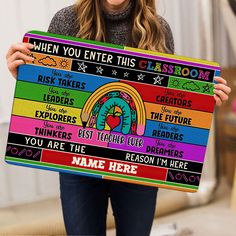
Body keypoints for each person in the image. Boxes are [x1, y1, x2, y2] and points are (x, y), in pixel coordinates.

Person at [6, 0, 231, 235]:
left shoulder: (158, 29)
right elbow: (52, 91)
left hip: (138, 167)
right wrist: (25, 76)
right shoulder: (66, 21)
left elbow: (165, 104)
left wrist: (200, 100)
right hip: (79, 165)